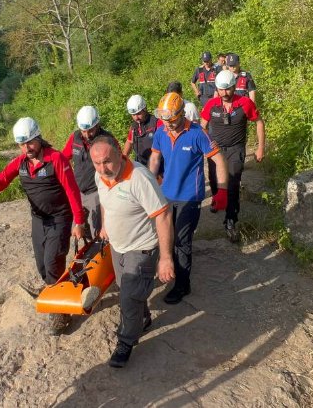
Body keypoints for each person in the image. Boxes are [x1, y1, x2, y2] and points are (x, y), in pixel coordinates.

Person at [0, 117, 86, 334]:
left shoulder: (56, 159)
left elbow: (72, 192)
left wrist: (78, 221)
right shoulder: (21, 163)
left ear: (39, 138)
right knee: (42, 266)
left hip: (60, 219)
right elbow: (1, 180)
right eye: (22, 144)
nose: (26, 148)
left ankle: (61, 315)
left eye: (30, 142)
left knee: (53, 262)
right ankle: (59, 287)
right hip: (38, 220)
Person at [90, 137, 174, 368]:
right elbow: (105, 201)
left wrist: (166, 258)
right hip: (118, 246)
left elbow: (163, 216)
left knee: (127, 298)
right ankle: (144, 317)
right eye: (96, 163)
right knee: (125, 287)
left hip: (142, 247)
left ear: (119, 153)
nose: (102, 168)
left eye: (107, 161)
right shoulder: (101, 175)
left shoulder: (139, 178)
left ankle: (126, 341)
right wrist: (105, 225)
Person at [149, 92, 229, 304]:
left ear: (181, 114)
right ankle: (170, 267)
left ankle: (183, 285)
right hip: (165, 195)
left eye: (172, 120)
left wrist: (221, 191)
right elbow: (155, 157)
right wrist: (150, 180)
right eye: (164, 121)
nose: (168, 125)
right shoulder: (160, 132)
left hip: (189, 197)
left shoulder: (197, 133)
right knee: (165, 237)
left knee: (181, 241)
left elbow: (218, 160)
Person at [201, 70, 266, 242]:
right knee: (215, 181)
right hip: (216, 151)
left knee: (233, 183)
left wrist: (260, 148)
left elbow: (259, 122)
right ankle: (218, 199)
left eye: (228, 89)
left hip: (236, 149)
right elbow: (202, 126)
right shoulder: (211, 104)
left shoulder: (245, 103)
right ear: (217, 88)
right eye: (221, 90)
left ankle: (230, 221)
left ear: (234, 87)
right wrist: (205, 144)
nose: (225, 93)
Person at [61, 106, 117, 237]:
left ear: (97, 124)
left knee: (97, 231)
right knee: (79, 230)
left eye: (90, 130)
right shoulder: (75, 138)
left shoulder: (108, 140)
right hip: (78, 192)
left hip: (97, 193)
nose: (87, 135)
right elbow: (63, 158)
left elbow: (118, 164)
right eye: (84, 131)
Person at [122, 94, 163, 172]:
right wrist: (123, 159)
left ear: (145, 109)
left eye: (139, 114)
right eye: (133, 115)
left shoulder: (157, 123)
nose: (136, 117)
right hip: (141, 166)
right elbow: (129, 142)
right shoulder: (134, 127)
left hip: (159, 167)